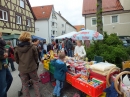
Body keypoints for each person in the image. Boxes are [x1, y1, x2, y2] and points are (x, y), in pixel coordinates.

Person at [14, 32, 41, 97]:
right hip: (32, 68)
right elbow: (36, 58)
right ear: (29, 38)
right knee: (35, 82)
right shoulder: (33, 47)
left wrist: (21, 64)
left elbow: (16, 60)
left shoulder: (17, 48)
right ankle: (38, 95)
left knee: (25, 84)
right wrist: (34, 64)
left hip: (22, 69)